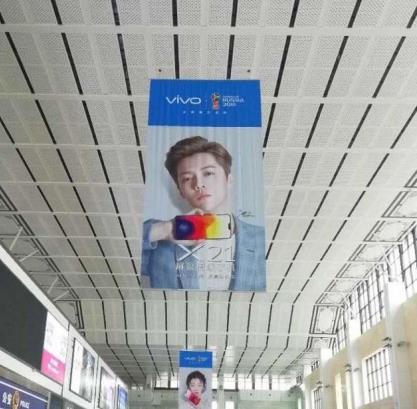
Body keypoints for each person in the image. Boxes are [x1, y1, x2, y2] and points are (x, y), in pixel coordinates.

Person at [141, 136, 265, 291]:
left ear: (228, 180)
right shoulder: (160, 241)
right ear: (180, 191)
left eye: (208, 173)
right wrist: (165, 230)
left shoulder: (261, 239)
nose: (198, 184)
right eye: (187, 178)